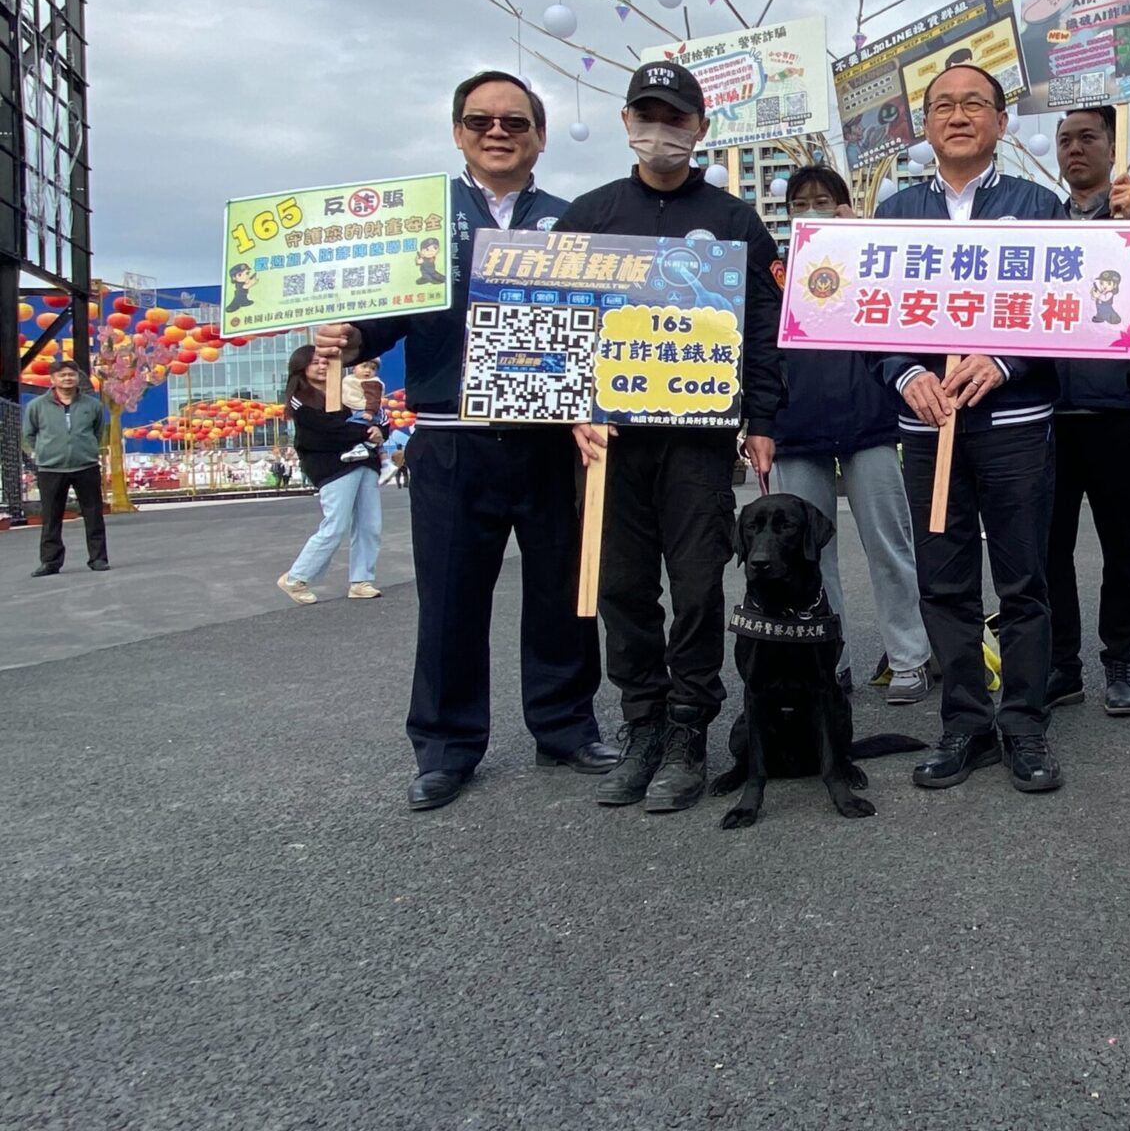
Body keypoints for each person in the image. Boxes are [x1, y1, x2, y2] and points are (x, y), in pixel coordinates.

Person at [317, 70, 614, 814]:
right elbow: (378, 323)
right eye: (481, 120)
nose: (498, 133)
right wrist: (347, 334)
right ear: (457, 132)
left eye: (516, 122)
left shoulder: (575, 219)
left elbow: (610, 319)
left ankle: (566, 725)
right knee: (449, 599)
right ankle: (446, 747)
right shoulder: (417, 219)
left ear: (540, 137)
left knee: (563, 594)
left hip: (554, 439)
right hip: (450, 440)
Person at [560, 60, 785, 814]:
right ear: (626, 122)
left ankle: (690, 731)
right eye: (647, 116)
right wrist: (571, 405)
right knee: (622, 589)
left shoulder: (732, 221)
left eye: (677, 118)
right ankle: (642, 728)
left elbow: (762, 330)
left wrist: (763, 420)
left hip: (698, 440)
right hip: (610, 445)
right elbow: (551, 324)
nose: (661, 131)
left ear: (701, 130)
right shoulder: (586, 217)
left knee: (695, 589)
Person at [876, 62, 1070, 794]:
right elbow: (870, 320)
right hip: (928, 428)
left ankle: (1023, 723)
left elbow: (1073, 307)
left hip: (1016, 424)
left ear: (1000, 122)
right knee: (944, 579)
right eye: (943, 106)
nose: (958, 116)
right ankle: (963, 722)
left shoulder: (1038, 206)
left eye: (974, 105)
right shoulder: (895, 216)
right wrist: (906, 373)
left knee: (1024, 578)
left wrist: (1008, 356)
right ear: (925, 125)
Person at [775, 165, 935, 704]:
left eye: (825, 201)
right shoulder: (775, 272)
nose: (813, 210)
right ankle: (829, 659)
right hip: (795, 430)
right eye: (802, 202)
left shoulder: (871, 260)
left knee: (890, 546)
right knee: (808, 555)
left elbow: (902, 318)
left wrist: (861, 239)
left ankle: (911, 658)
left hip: (869, 426)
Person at [1045, 104, 1130, 716]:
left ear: (1113, 146)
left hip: (1118, 412)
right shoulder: (1038, 225)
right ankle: (1064, 664)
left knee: (1121, 546)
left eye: (1087, 137)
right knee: (1048, 548)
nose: (1074, 149)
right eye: (1064, 140)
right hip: (1048, 415)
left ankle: (1121, 660)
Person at [277, 344, 384, 604]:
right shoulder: (300, 397)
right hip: (332, 466)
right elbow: (325, 429)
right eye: (315, 362)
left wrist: (381, 432)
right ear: (301, 366)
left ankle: (361, 580)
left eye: (325, 362)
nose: (322, 366)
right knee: (335, 524)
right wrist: (364, 432)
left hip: (365, 461)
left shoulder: (349, 387)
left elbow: (376, 416)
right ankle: (296, 577)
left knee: (370, 525)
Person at [24, 358, 109, 576]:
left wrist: (85, 449)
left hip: (86, 466)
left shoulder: (92, 405)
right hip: (51, 469)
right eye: (62, 375)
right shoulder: (37, 406)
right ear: (52, 379)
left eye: (72, 374)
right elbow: (29, 434)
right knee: (51, 516)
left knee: (93, 514)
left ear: (78, 378)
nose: (68, 378)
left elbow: (98, 432)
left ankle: (98, 558)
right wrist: (46, 452)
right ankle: (50, 562)